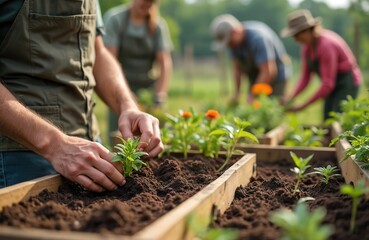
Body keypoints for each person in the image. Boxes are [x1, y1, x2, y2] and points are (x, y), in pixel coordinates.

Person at [0, 0, 163, 192]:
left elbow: (98, 52)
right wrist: (55, 145)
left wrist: (128, 106)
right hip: (22, 154)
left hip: (90, 147)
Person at [103, 0, 173, 143]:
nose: (147, 4)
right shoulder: (116, 19)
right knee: (120, 138)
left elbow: (164, 63)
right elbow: (110, 60)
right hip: (120, 85)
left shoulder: (157, 26)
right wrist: (125, 95)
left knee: (152, 136)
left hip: (147, 88)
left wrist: (159, 94)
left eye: (152, 2)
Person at [280, 9, 362, 120]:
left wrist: (302, 106)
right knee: (327, 119)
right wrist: (289, 98)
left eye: (296, 35)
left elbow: (328, 84)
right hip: (332, 84)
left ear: (307, 30)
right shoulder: (306, 47)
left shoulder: (326, 46)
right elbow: (305, 78)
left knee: (339, 118)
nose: (295, 40)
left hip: (347, 83)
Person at [210, 14, 292, 104]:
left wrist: (252, 95)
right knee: (253, 106)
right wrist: (236, 94)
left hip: (277, 77)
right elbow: (237, 68)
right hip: (256, 76)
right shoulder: (233, 44)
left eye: (230, 42)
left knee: (274, 107)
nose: (229, 46)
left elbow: (268, 72)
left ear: (235, 32)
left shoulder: (258, 39)